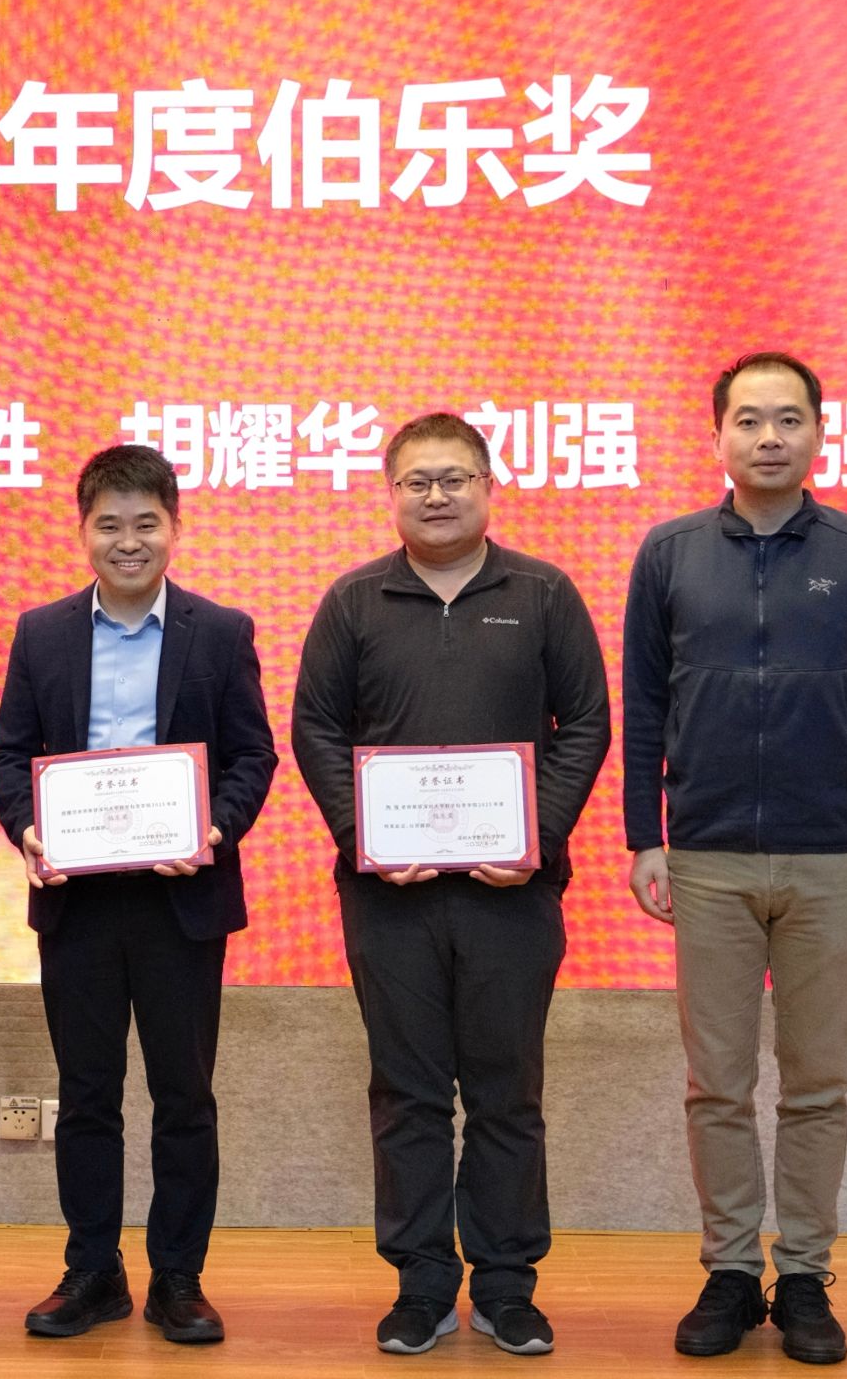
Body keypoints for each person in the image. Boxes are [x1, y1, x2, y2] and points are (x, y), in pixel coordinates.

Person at [623, 351, 847, 1366]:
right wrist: (643, 833)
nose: (768, 436)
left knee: (815, 1083)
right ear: (716, 433)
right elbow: (644, 702)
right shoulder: (669, 553)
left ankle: (801, 1273)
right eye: (749, 419)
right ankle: (727, 1269)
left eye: (788, 418)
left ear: (817, 433)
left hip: (828, 856)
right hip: (705, 855)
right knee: (715, 1082)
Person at [291, 411, 609, 1358]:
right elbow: (315, 729)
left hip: (514, 891)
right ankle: (423, 1281)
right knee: (408, 1093)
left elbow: (587, 722)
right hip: (389, 896)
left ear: (488, 486)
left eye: (455, 478)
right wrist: (365, 835)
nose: (437, 495)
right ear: (391, 493)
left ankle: (507, 1284)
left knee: (509, 1093)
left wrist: (538, 834)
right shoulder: (354, 600)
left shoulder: (543, 592)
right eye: (417, 481)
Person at [0, 444, 278, 1344]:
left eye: (146, 523)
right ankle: (93, 1269)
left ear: (174, 527)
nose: (128, 541)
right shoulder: (41, 633)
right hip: (78, 901)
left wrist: (214, 829)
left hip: (180, 900)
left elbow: (253, 754)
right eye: (109, 524)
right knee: (86, 1094)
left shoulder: (219, 631)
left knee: (184, 1093)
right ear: (82, 531)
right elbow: (10, 754)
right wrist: (27, 827)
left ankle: (179, 1276)